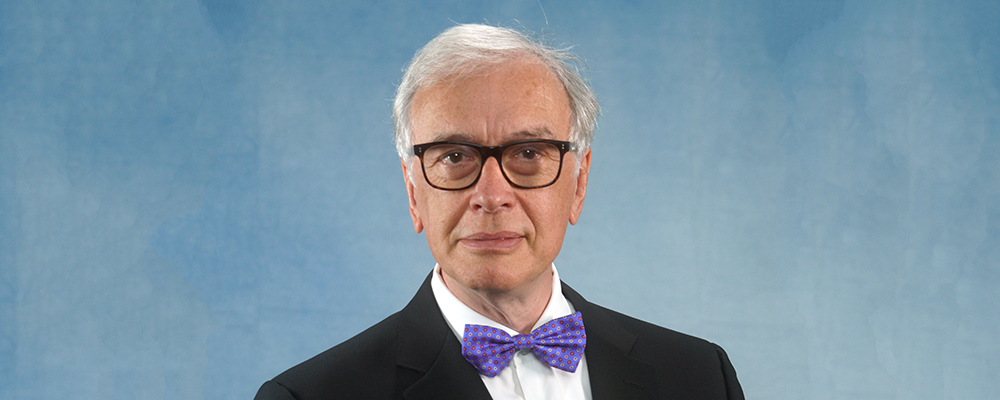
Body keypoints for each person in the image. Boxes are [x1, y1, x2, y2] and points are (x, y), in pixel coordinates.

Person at [255, 23, 744, 400]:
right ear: (413, 191)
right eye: (454, 157)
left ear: (579, 183)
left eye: (529, 154)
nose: (492, 195)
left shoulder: (699, 376)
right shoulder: (310, 396)